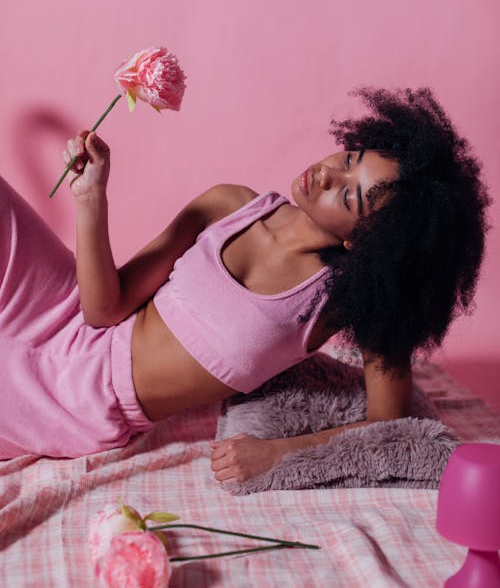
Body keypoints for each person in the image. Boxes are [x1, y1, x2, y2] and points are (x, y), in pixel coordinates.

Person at [0, 88, 489, 465]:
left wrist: (277, 452)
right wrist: (91, 197)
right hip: (63, 309)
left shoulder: (341, 301)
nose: (325, 175)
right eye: (348, 161)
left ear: (365, 243)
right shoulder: (228, 205)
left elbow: (389, 420)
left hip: (80, 399)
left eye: (347, 197)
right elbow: (102, 310)